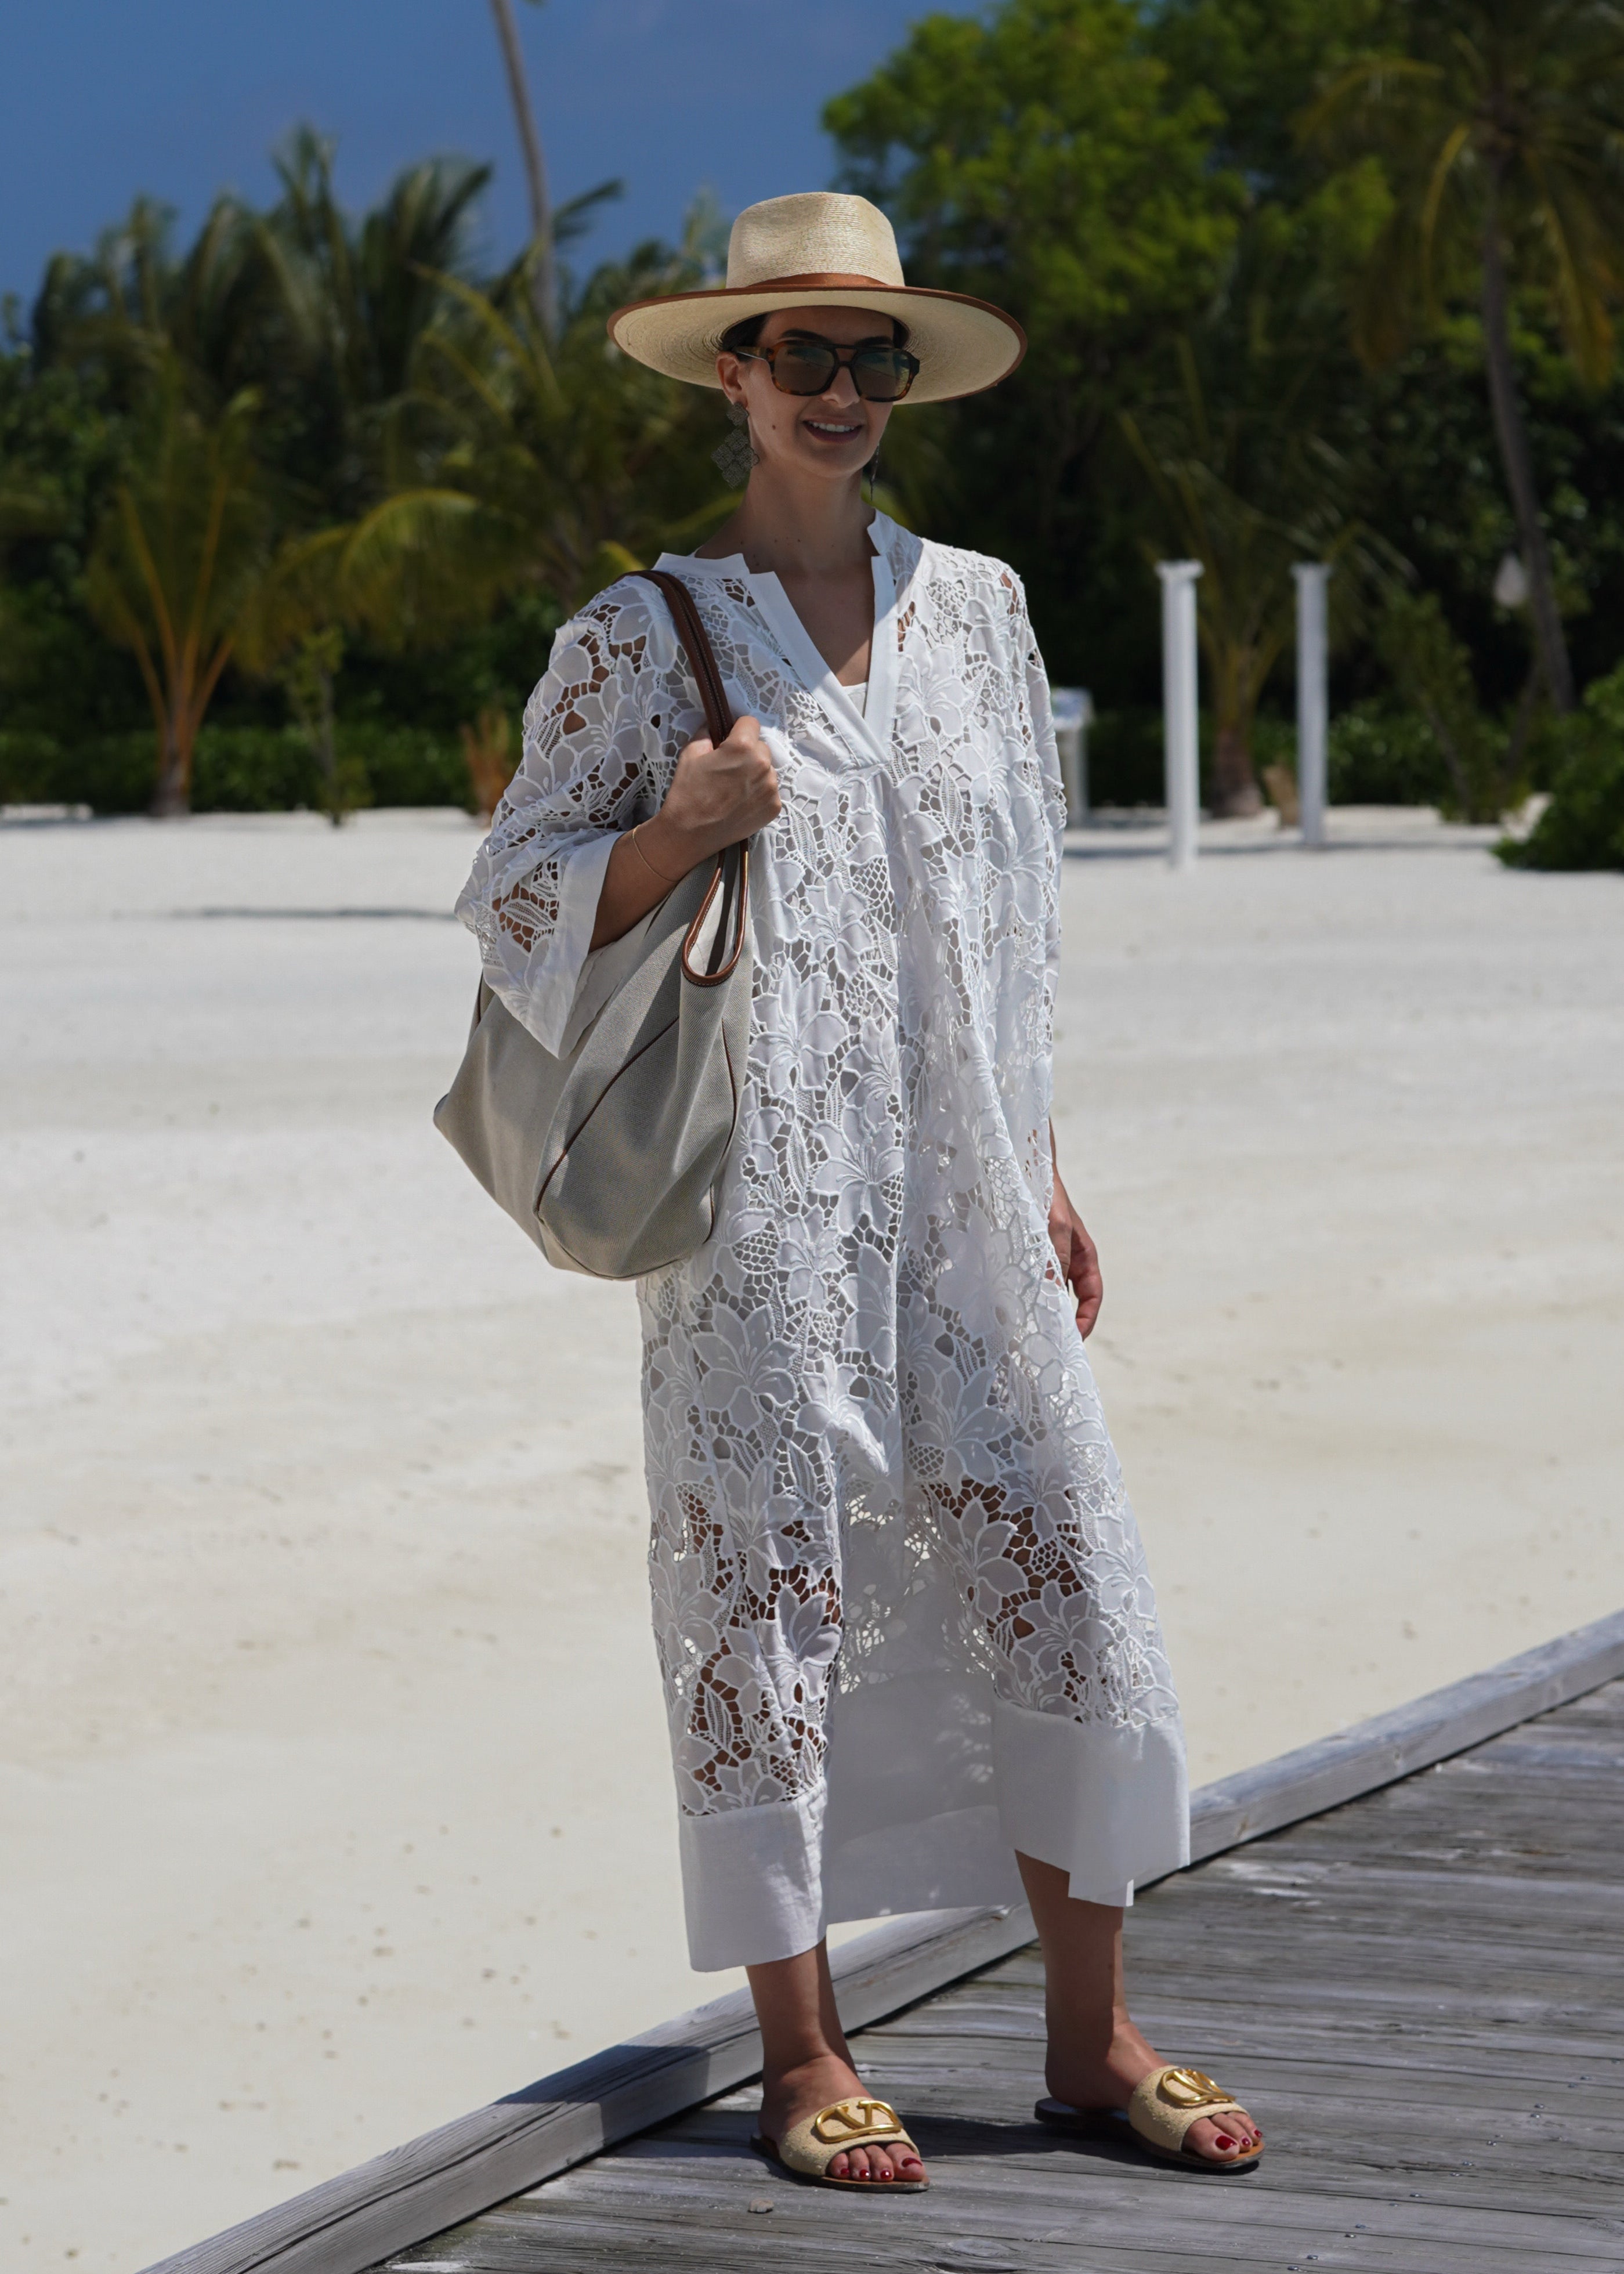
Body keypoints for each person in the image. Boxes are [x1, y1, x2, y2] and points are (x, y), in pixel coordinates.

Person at [456, 192, 1262, 2190]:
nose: (839, 388)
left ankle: (1091, 2037)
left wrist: (1043, 1160)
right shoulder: (638, 633)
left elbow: (1019, 919)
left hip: (969, 1192)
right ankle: (804, 2053)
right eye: (800, 353)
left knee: (1059, 1555)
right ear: (730, 376)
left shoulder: (979, 608)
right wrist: (675, 829)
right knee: (770, 1593)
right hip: (762, 1215)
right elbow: (513, 901)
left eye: (871, 355)